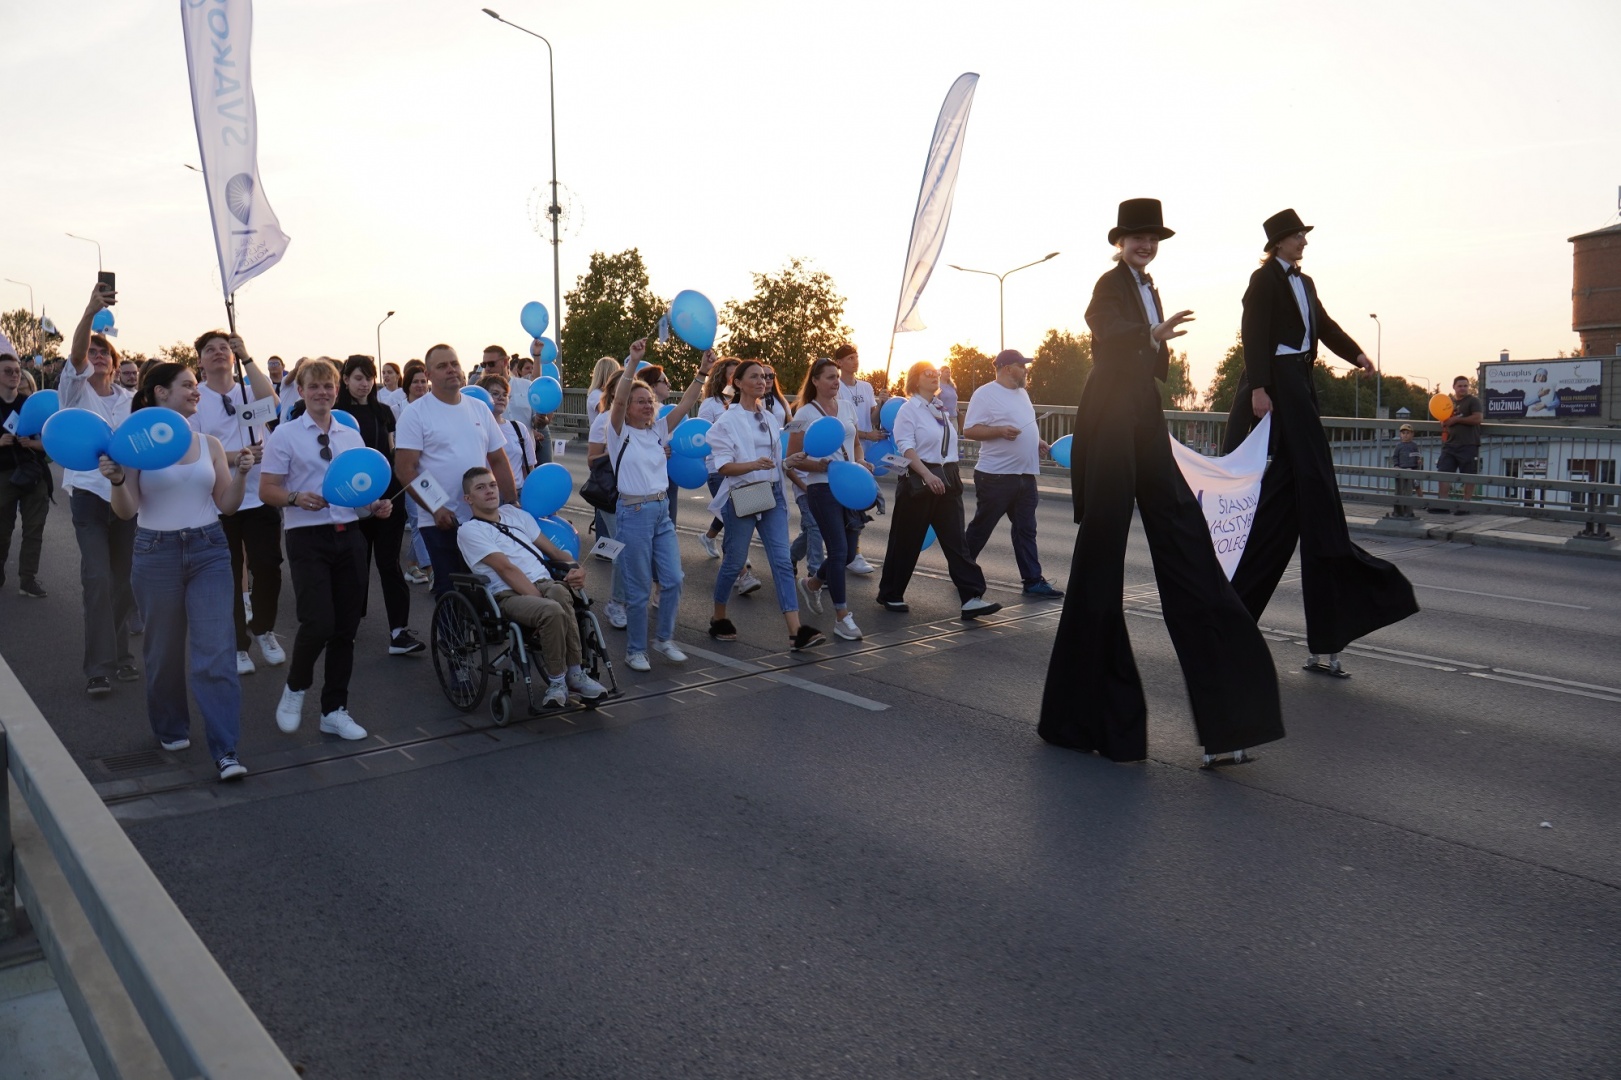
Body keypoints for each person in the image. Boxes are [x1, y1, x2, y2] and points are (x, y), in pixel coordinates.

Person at [1040, 198, 1283, 763]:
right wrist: (1150, 331)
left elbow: (1146, 354)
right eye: (1137, 237)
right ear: (1119, 242)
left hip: (1144, 413)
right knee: (1101, 557)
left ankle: (1229, 723)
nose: (1146, 245)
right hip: (1109, 415)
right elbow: (1104, 327)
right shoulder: (1109, 285)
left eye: (1152, 238)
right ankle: (1088, 720)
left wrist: (1152, 336)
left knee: (1186, 540)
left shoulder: (1150, 285)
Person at [1222, 208, 1418, 675]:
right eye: (1297, 236)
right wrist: (1260, 388)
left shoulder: (1305, 283)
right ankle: (1246, 625)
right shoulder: (1263, 280)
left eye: (1303, 236)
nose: (1304, 242)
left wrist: (1356, 354)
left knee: (1293, 505)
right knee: (1315, 489)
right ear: (1279, 242)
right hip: (1279, 382)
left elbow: (1324, 326)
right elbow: (1253, 336)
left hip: (1301, 382)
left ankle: (1234, 624)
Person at [100, 362, 254, 781]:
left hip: (209, 550)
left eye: (195, 385)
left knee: (215, 653)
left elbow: (227, 506)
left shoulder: (210, 444)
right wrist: (117, 481)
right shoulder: (134, 444)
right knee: (163, 652)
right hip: (155, 553)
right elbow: (127, 510)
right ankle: (170, 726)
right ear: (159, 392)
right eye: (187, 384)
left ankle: (225, 750)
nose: (195, 390)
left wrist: (241, 475)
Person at [259, 358, 389, 740]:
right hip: (307, 537)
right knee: (318, 622)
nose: (322, 392)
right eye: (313, 386)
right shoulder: (285, 435)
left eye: (328, 386)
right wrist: (295, 497)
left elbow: (360, 493)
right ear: (300, 391)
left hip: (349, 534)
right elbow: (267, 490)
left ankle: (334, 710)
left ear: (337, 390)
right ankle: (296, 687)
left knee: (346, 628)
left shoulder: (351, 435)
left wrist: (375, 505)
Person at [456, 466, 609, 707]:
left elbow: (554, 552)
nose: (490, 491)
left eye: (492, 485)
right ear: (468, 499)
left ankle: (576, 674)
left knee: (560, 592)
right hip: (508, 594)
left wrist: (577, 569)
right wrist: (541, 600)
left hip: (544, 583)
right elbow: (506, 570)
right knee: (552, 609)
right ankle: (557, 682)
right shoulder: (469, 530)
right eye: (481, 488)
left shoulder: (516, 515)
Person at [705, 359, 825, 650]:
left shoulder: (770, 418)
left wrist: (787, 462)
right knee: (734, 562)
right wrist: (752, 465)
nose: (762, 381)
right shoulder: (726, 422)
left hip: (772, 493)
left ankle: (796, 631)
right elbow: (723, 467)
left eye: (765, 377)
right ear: (738, 383)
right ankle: (718, 617)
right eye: (755, 377)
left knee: (782, 561)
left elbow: (773, 462)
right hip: (744, 494)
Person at [607, 340, 713, 670]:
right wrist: (632, 364)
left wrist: (703, 372)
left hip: (661, 513)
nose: (646, 405)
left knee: (674, 579)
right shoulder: (619, 432)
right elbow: (619, 398)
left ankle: (664, 639)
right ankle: (635, 650)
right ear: (627, 407)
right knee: (639, 589)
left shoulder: (658, 431)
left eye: (649, 401)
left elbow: (686, 403)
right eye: (639, 401)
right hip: (633, 513)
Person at [189, 327, 285, 676]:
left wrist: (247, 356)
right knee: (228, 576)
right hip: (219, 501)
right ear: (200, 361)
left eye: (224, 348)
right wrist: (237, 457)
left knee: (269, 567)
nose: (219, 352)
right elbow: (195, 448)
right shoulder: (196, 398)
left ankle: (262, 628)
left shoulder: (247, 391)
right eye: (210, 349)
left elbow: (274, 406)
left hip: (258, 497)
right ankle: (237, 645)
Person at [874, 363, 1001, 620]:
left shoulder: (939, 409)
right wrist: (927, 474)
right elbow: (905, 446)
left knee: (957, 541)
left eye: (936, 373)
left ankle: (971, 597)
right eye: (928, 373)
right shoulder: (909, 410)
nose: (935, 377)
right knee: (906, 541)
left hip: (947, 477)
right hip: (921, 478)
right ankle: (891, 593)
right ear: (915, 380)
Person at [60, 282, 138, 695]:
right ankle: (99, 669)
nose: (97, 356)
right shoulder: (74, 391)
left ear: (115, 362)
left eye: (104, 352)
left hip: (126, 499)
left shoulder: (131, 400)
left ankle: (121, 655)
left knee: (124, 581)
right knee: (98, 578)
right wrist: (90, 311)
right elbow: (75, 356)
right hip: (89, 497)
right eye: (92, 352)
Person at [394, 344, 517, 597]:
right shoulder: (415, 413)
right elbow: (406, 469)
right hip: (441, 521)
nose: (451, 370)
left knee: (488, 590)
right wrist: (436, 507)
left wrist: (512, 502)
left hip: (481, 518)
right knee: (451, 591)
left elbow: (498, 460)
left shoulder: (479, 408)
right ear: (428, 375)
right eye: (442, 366)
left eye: (454, 364)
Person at [336, 355, 422, 655]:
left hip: (387, 499)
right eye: (358, 378)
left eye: (369, 378)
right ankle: (348, 624)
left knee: (389, 565)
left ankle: (399, 631)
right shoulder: (335, 415)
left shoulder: (384, 412)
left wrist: (390, 495)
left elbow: (391, 453)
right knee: (355, 566)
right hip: (351, 501)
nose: (365, 384)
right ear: (345, 379)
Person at [962, 349, 1064, 599]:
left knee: (1026, 530)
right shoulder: (984, 394)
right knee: (981, 529)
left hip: (1025, 475)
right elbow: (969, 430)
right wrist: (999, 431)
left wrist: (1037, 441)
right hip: (995, 477)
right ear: (1007, 368)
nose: (1026, 370)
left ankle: (1033, 581)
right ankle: (961, 571)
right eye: (1022, 365)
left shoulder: (1022, 394)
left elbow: (1025, 425)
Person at [785, 356, 869, 640]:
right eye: (830, 377)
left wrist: (861, 461)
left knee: (848, 553)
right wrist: (818, 466)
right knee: (837, 550)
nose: (836, 381)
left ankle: (812, 584)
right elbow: (792, 458)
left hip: (851, 487)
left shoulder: (847, 407)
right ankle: (842, 616)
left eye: (837, 376)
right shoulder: (804, 413)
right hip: (822, 488)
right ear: (816, 381)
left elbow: (856, 444)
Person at [0, 347, 51, 597]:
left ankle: (28, 580)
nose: (14, 375)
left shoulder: (30, 404)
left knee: (34, 529)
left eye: (17, 371)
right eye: (8, 371)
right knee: (2, 530)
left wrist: (33, 443)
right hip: (3, 475)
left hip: (33, 473)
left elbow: (50, 438)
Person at [832, 344, 879, 575]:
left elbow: (872, 417)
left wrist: (882, 403)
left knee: (857, 506)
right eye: (850, 358)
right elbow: (842, 426)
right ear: (839, 363)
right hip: (844, 454)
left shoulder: (867, 387)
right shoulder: (836, 388)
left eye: (856, 357)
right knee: (849, 507)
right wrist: (867, 435)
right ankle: (852, 553)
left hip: (863, 454)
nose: (855, 361)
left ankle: (850, 552)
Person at [1432, 375, 1482, 514]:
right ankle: (1443, 504)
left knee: (1468, 476)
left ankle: (1465, 505)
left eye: (1465, 386)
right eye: (1460, 386)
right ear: (1454, 387)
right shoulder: (1450, 402)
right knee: (1443, 473)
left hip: (1468, 444)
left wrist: (1456, 420)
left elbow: (1478, 418)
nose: (1463, 388)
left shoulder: (1473, 401)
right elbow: (1444, 416)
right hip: (1450, 444)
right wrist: (1444, 421)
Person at [482, 375, 536, 492]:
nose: (501, 398)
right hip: (488, 494)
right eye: (495, 394)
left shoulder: (519, 428)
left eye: (505, 394)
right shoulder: (477, 429)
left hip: (518, 493)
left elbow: (528, 468)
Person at [1391, 423, 1423, 518]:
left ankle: (1410, 509)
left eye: (1408, 433)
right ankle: (1398, 510)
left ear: (1412, 434)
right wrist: (1396, 465)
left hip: (1412, 470)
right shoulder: (1398, 446)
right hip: (1401, 470)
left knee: (1412, 489)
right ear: (1400, 435)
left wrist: (1418, 462)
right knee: (1400, 490)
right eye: (1403, 433)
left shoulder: (1414, 445)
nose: (1405, 435)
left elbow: (1417, 456)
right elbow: (1395, 457)